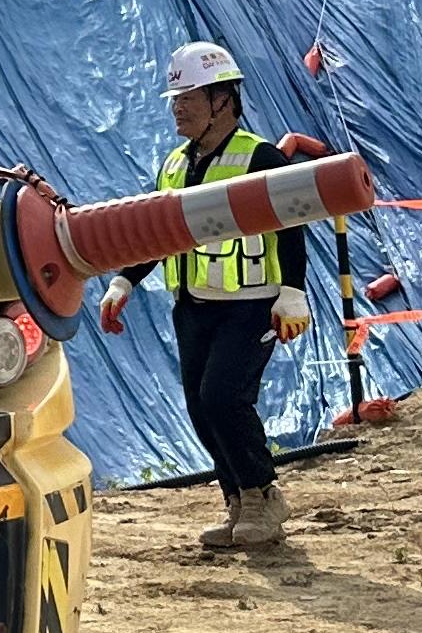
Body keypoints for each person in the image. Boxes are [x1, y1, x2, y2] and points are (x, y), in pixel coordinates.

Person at [99, 41, 314, 551]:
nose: (177, 108)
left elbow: (292, 226)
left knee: (224, 397)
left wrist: (292, 292)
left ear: (222, 100)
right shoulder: (175, 165)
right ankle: (238, 501)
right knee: (200, 406)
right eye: (175, 99)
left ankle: (264, 496)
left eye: (188, 98)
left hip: (252, 305)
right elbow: (159, 232)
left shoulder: (260, 157)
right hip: (194, 306)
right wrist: (125, 281)